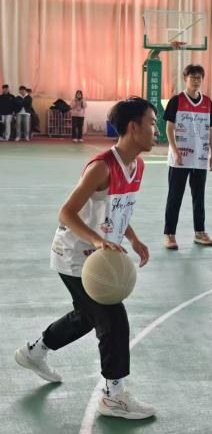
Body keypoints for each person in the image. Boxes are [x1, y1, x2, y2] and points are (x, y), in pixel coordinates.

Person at [14, 97, 158, 419]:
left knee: (87, 315)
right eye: (151, 123)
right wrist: (96, 240)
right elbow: (66, 213)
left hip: (96, 253)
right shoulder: (102, 167)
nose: (156, 130)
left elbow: (115, 209)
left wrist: (133, 238)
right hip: (74, 256)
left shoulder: (137, 166)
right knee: (113, 319)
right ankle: (113, 395)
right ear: (133, 127)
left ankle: (35, 351)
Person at [163, 64, 212, 250]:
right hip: (180, 159)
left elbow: (210, 130)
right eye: (192, 77)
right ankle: (169, 234)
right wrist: (175, 151)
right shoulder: (176, 100)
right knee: (175, 197)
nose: (196, 81)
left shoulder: (207, 102)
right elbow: (169, 128)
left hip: (200, 159)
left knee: (199, 197)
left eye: (199, 78)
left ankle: (200, 232)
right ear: (185, 79)